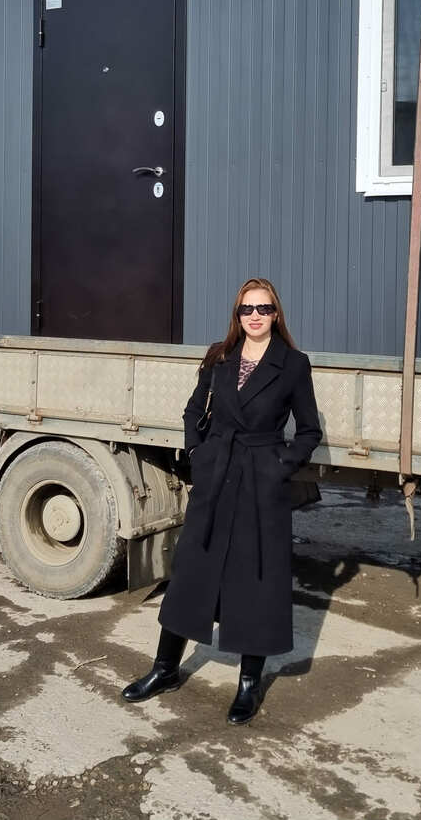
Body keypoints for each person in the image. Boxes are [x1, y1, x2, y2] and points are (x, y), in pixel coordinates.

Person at [121, 277, 322, 724]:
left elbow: (309, 430)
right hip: (217, 477)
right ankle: (165, 668)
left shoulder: (293, 364)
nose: (255, 316)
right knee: (191, 574)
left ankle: (249, 683)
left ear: (276, 314)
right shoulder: (219, 356)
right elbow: (195, 410)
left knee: (256, 581)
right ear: (237, 315)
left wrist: (279, 466)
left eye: (264, 308)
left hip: (261, 484)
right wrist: (199, 453)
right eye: (247, 309)